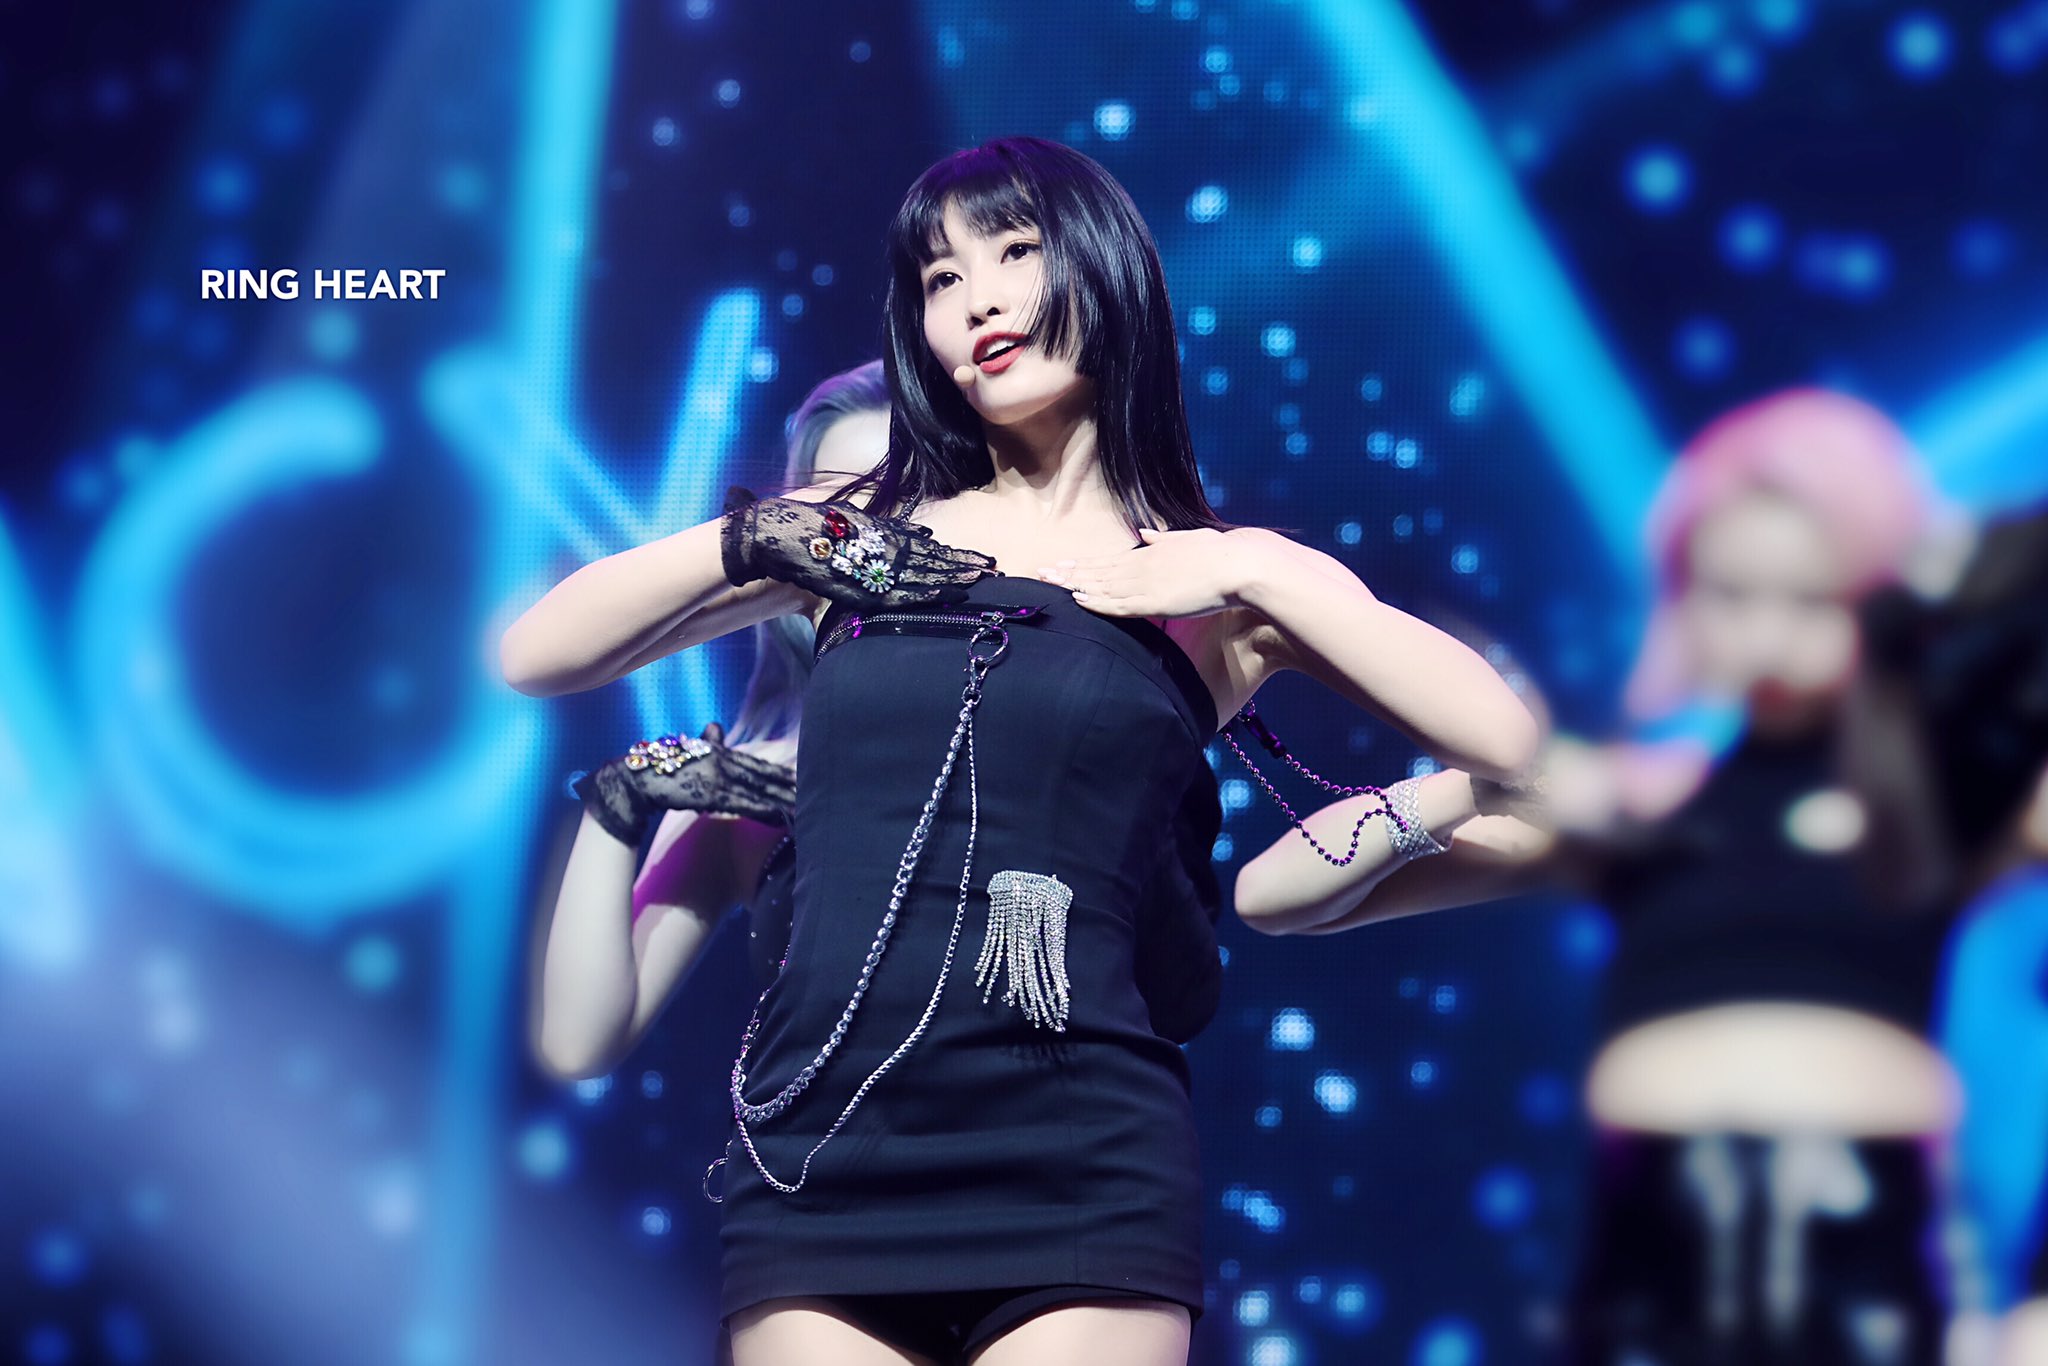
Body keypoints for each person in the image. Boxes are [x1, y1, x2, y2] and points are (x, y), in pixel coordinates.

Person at [500, 135, 1537, 1366]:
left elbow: (1502, 739)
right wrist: (765, 536)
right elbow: (538, 652)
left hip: (1075, 1158)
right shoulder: (862, 534)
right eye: (939, 278)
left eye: (1012, 253)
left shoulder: (1208, 581)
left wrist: (1257, 568)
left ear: (1100, 267)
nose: (976, 300)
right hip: (821, 1153)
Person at [1233, 390, 1966, 1365]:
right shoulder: (1638, 802)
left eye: (1811, 599)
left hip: (1865, 1253)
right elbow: (1276, 895)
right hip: (1651, 1258)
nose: (1768, 636)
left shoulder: (1938, 800)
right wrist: (1471, 786)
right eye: (1731, 595)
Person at [532, 361, 889, 1084]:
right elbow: (578, 1042)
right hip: (819, 1148)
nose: (865, 542)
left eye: (902, 502)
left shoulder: (1034, 721)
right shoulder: (741, 791)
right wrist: (625, 793)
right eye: (831, 511)